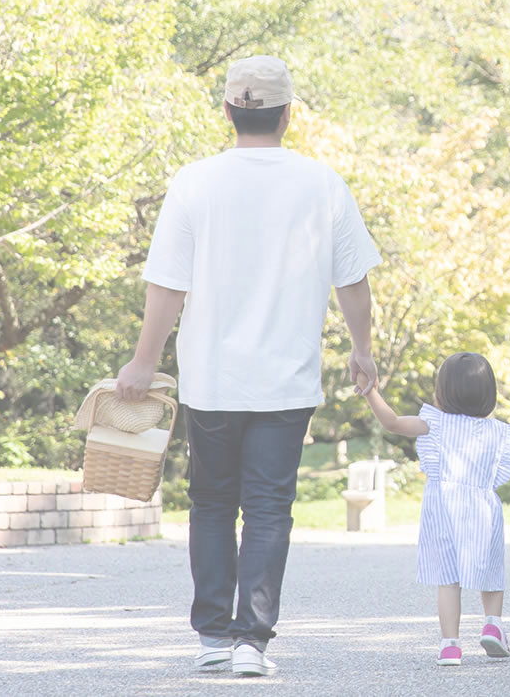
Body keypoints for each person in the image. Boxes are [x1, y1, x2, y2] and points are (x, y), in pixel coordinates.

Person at [115, 55, 381, 678]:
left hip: (211, 378)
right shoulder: (322, 184)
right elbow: (355, 284)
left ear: (228, 111)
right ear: (289, 114)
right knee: (268, 507)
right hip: (287, 381)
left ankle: (212, 631)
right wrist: (362, 349)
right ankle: (250, 642)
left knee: (210, 502)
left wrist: (142, 362)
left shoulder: (195, 181)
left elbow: (167, 286)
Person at [364, 352, 510, 666]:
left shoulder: (433, 424)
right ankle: (493, 624)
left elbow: (392, 422)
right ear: (488, 395)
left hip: (442, 510)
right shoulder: (499, 432)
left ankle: (449, 645)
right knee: (489, 571)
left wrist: (370, 390)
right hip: (482, 510)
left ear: (442, 392)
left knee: (448, 578)